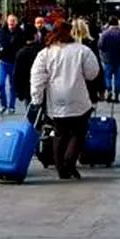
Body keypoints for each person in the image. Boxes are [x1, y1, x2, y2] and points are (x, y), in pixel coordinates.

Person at [29, 21, 101, 179]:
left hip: (56, 99)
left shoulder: (46, 53)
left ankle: (60, 166)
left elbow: (37, 77)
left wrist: (37, 98)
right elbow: (92, 73)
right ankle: (70, 162)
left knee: (59, 133)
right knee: (78, 132)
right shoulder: (82, 50)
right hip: (79, 98)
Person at [0, 14, 27, 115]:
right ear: (7, 21)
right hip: (3, 62)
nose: (11, 23)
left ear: (16, 22)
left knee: (13, 85)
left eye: (13, 21)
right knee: (1, 84)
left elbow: (25, 44)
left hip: (15, 62)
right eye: (10, 21)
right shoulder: (1, 31)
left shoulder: (21, 33)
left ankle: (12, 106)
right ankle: (3, 105)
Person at [97, 16, 120, 103]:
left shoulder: (105, 33)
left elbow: (100, 45)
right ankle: (117, 95)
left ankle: (109, 91)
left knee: (107, 77)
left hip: (107, 59)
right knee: (118, 78)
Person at [12, 29, 45, 107]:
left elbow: (17, 74)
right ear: (35, 36)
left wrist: (19, 92)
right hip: (43, 86)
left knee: (31, 111)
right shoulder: (42, 50)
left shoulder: (21, 53)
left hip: (28, 88)